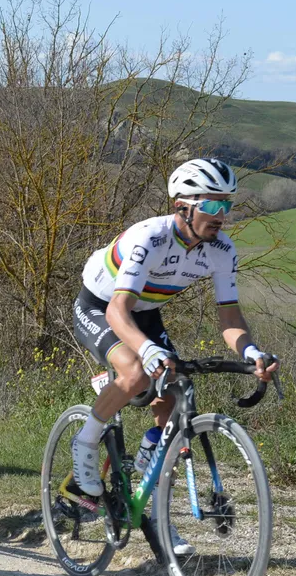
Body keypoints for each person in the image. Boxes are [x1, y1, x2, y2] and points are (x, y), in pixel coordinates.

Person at [70, 158, 280, 555]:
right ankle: (85, 442)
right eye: (213, 206)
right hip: (101, 305)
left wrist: (252, 352)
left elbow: (230, 318)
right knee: (135, 371)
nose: (222, 215)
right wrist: (147, 349)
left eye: (227, 205)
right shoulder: (149, 237)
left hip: (145, 312)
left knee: (174, 391)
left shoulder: (221, 250)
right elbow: (117, 312)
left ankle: (148, 489)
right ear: (183, 204)